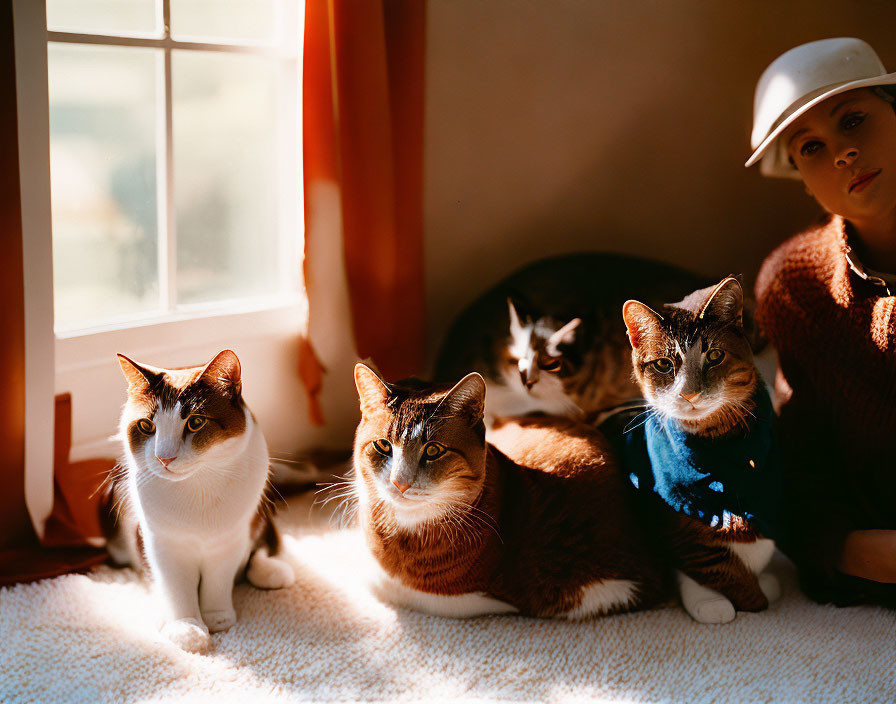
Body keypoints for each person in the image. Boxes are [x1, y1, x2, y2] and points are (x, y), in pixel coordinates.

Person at [746, 37, 896, 606]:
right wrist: (854, 551)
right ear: (802, 180)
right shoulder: (794, 286)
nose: (841, 154)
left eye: (853, 120)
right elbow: (801, 467)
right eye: (810, 147)